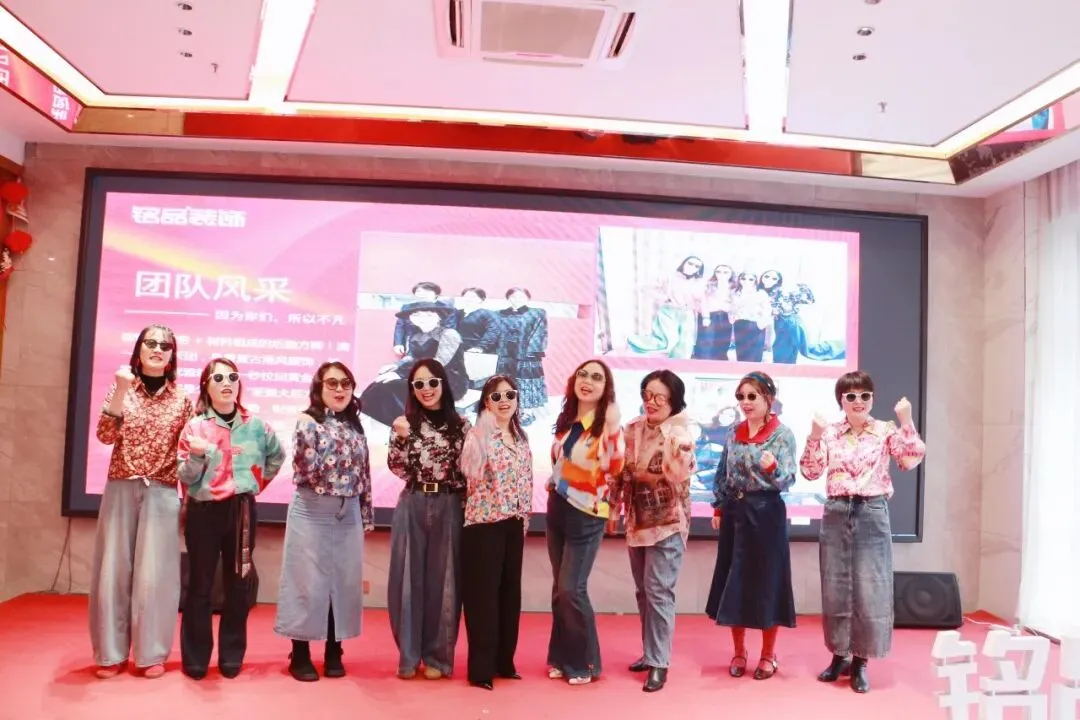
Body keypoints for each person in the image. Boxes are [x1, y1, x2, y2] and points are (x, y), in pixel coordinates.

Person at [800, 370, 925, 694]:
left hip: (872, 510)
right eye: (851, 396)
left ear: (872, 398)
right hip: (837, 510)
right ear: (841, 400)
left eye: (864, 395)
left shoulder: (885, 430)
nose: (858, 401)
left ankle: (860, 661)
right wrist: (813, 436)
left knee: (871, 588)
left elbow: (910, 460)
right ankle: (839, 655)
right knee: (835, 586)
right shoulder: (830, 432)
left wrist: (907, 421)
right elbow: (811, 471)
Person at [89, 325, 193, 679]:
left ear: (172, 356)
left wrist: (188, 500)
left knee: (156, 575)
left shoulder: (182, 400)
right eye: (151, 343)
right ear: (139, 350)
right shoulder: (122, 389)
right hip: (121, 486)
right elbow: (105, 435)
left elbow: (186, 453)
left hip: (162, 491)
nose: (158, 349)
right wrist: (120, 390)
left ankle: (151, 654)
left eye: (166, 345)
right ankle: (110, 654)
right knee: (113, 570)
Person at [176, 357, 286, 680]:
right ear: (206, 387)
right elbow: (184, 475)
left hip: (241, 511)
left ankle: (231, 655)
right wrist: (197, 455)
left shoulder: (257, 426)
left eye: (232, 377)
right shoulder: (195, 427)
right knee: (200, 584)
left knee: (238, 585)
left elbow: (278, 456)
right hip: (204, 511)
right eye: (219, 378)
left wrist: (254, 484)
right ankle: (196, 658)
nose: (227, 383)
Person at [275, 362, 374, 682]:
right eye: (332, 383)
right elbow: (304, 471)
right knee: (306, 583)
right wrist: (306, 432)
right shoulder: (308, 422)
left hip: (349, 511)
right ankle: (300, 653)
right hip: (312, 509)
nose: (340, 389)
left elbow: (364, 474)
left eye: (346, 383)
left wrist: (366, 514)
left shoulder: (355, 425)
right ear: (319, 388)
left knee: (343, 584)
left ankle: (334, 651)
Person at [704, 371, 797, 681]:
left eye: (752, 396)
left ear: (768, 398)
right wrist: (719, 506)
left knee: (768, 582)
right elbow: (722, 472)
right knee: (735, 582)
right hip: (736, 512)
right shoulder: (734, 432)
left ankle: (768, 655)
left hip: (767, 515)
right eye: (741, 397)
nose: (745, 402)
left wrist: (773, 467)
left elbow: (788, 479)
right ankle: (739, 651)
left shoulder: (782, 435)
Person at [608, 369, 695, 693]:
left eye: (660, 396)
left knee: (659, 591)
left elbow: (679, 475)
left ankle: (659, 663)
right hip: (637, 522)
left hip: (668, 524)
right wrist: (613, 508)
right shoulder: (632, 429)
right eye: (647, 395)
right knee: (644, 592)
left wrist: (678, 448)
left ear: (673, 400)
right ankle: (650, 653)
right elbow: (620, 473)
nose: (652, 402)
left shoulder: (680, 432)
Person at [386, 358, 471, 680]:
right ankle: (408, 655)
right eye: (418, 384)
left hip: (449, 503)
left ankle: (438, 657)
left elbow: (468, 472)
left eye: (432, 382)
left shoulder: (461, 426)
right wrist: (401, 439)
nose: (426, 389)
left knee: (445, 582)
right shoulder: (403, 423)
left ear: (443, 384)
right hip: (413, 501)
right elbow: (398, 467)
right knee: (406, 581)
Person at [546, 359, 625, 685]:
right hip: (558, 508)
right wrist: (555, 480)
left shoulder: (606, 426)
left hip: (587, 513)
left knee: (571, 589)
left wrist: (613, 428)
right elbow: (562, 460)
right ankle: (560, 658)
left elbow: (616, 466)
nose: (587, 381)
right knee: (559, 590)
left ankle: (585, 663)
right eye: (583, 374)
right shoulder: (569, 421)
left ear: (606, 389)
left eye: (596, 377)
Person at [458, 374, 533, 690]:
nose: (504, 401)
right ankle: (481, 670)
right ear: (486, 402)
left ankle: (504, 662)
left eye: (509, 395)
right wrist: (483, 432)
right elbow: (470, 471)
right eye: (496, 396)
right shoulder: (478, 435)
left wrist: (524, 518)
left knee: (509, 596)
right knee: (482, 599)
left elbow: (526, 480)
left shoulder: (521, 437)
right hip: (484, 525)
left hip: (514, 523)